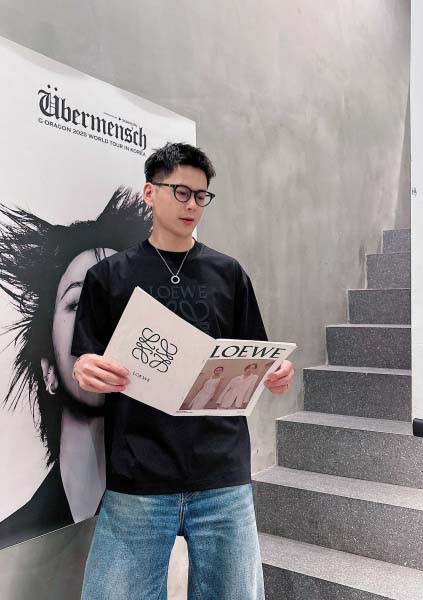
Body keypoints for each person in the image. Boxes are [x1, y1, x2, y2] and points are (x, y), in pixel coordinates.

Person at [72, 142, 295, 600]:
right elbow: (85, 358)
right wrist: (84, 368)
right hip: (138, 473)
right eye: (181, 192)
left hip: (221, 473)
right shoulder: (108, 276)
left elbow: (257, 355)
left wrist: (275, 373)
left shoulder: (229, 273)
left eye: (201, 195)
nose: (192, 204)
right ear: (149, 193)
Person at [0, 188, 151, 550]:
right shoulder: (13, 538)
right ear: (49, 370)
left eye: (119, 300)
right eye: (78, 301)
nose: (101, 319)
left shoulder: (167, 505)